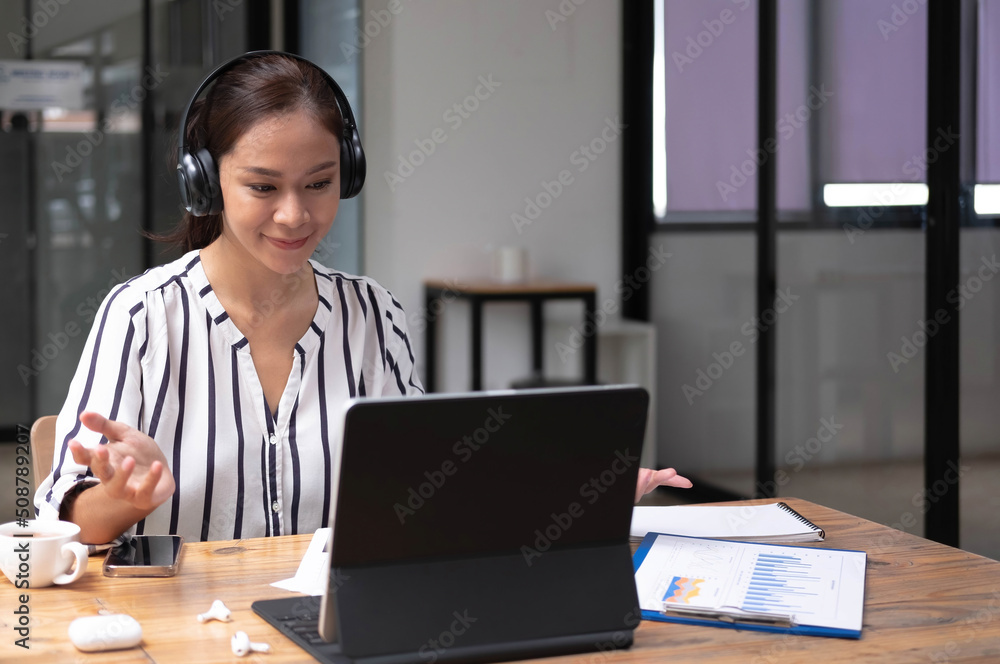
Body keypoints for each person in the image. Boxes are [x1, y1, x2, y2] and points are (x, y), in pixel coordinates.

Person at [35, 52, 690, 545]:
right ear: (206, 184)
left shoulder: (372, 314)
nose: (296, 216)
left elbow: (424, 489)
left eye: (319, 183)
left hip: (335, 627)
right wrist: (123, 497)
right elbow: (61, 517)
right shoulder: (145, 315)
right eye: (263, 187)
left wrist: (566, 493)